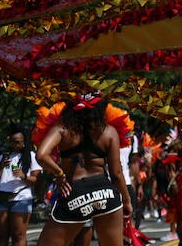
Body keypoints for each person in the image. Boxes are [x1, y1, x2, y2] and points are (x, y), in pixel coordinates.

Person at [34, 93, 132, 246]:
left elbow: (41, 155)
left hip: (75, 193)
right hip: (106, 193)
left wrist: (59, 174)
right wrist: (126, 201)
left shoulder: (63, 127)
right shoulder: (109, 131)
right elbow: (116, 174)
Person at [0, 127, 42, 246]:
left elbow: (36, 179)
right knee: (1, 236)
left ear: (24, 143)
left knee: (18, 235)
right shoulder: (3, 156)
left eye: (17, 142)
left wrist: (24, 176)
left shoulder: (31, 156)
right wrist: (1, 168)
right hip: (0, 198)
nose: (14, 144)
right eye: (12, 141)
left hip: (21, 198)